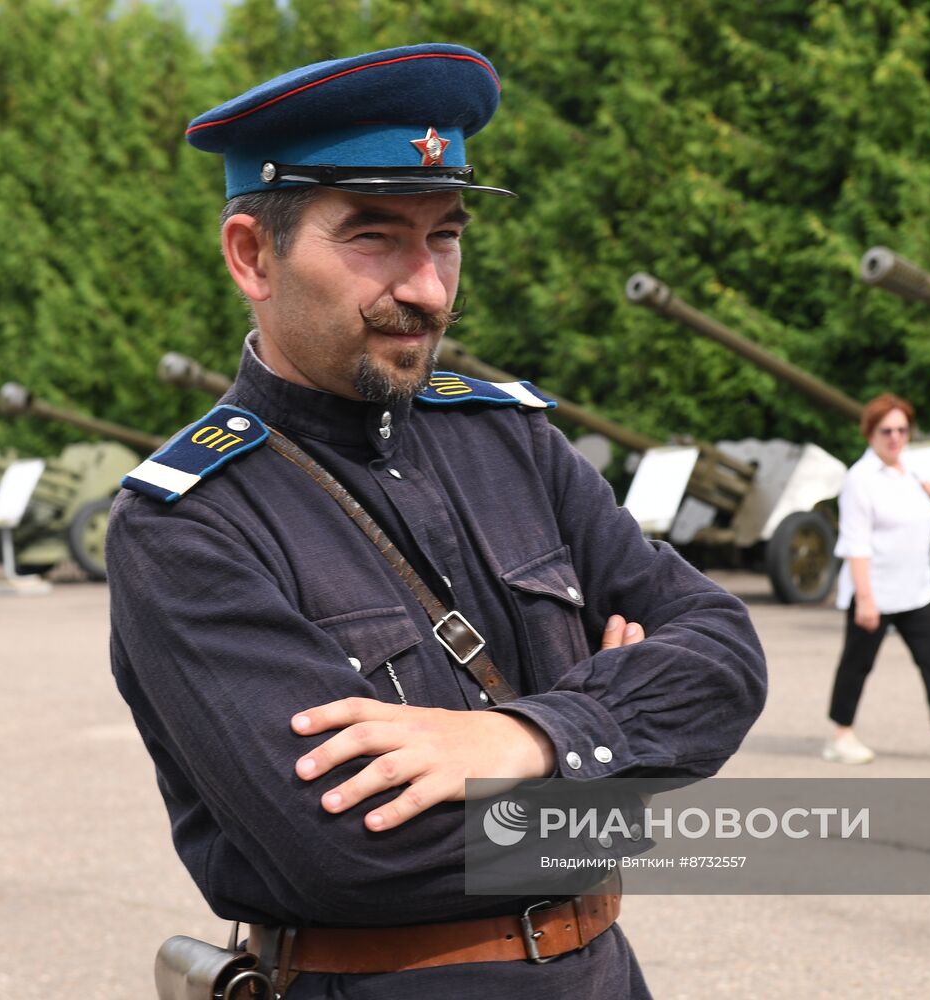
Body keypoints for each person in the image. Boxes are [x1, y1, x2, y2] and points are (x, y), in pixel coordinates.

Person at [106, 43, 767, 998]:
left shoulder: (513, 444)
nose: (427, 288)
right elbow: (352, 854)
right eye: (374, 237)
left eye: (445, 236)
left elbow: (725, 651)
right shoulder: (189, 525)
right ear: (254, 255)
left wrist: (535, 739)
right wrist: (632, 771)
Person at [821, 393, 930, 767]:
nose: (896, 437)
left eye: (902, 429)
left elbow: (915, 522)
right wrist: (865, 598)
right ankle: (840, 735)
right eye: (887, 431)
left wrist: (928, 496)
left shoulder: (911, 470)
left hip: (917, 589)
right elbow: (855, 542)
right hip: (876, 590)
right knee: (856, 663)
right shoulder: (860, 479)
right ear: (870, 432)